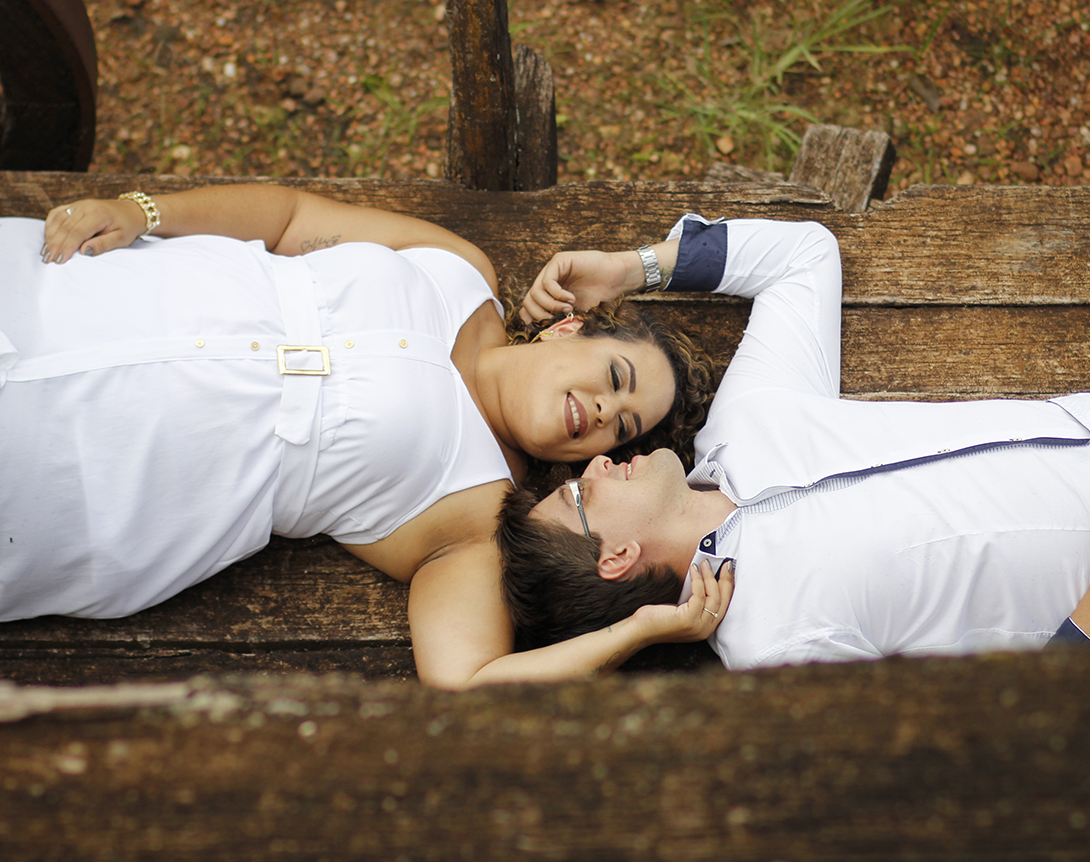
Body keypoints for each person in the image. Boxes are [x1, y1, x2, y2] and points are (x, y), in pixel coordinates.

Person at [1, 185, 724, 687]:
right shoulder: (461, 271)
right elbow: (288, 218)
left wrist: (638, 631)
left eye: (624, 427)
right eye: (616, 377)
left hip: (83, 469)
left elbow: (466, 681)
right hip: (87, 294)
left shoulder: (473, 519)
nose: (604, 412)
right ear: (571, 328)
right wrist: (142, 210)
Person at [498, 214, 1090, 670]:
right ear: (616, 557)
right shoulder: (773, 649)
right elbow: (969, 749)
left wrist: (629, 268)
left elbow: (804, 258)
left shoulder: (742, 427)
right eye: (577, 492)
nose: (594, 463)